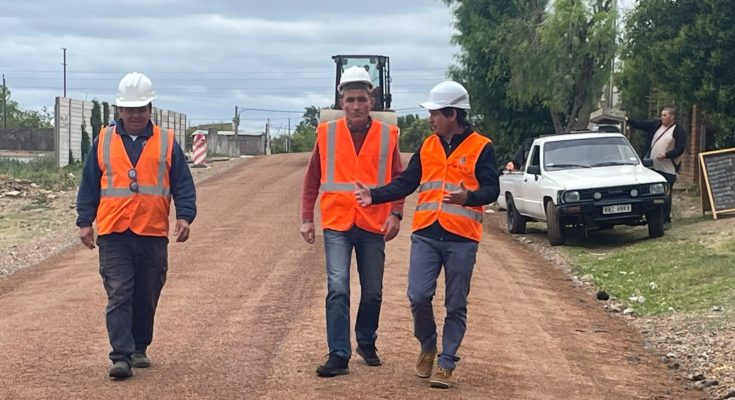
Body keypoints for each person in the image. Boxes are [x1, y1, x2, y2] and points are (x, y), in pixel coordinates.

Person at [355, 80, 500, 389]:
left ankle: (446, 362)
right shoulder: (428, 145)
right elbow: (407, 182)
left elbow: (492, 188)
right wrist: (375, 195)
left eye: (435, 113)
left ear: (453, 114)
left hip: (462, 237)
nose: (430, 119)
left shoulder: (482, 147)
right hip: (426, 233)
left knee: (456, 303)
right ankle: (428, 344)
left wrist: (469, 198)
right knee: (418, 295)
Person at [76, 72, 197, 379]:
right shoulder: (103, 140)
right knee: (119, 292)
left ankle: (140, 346)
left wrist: (185, 216)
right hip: (114, 232)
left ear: (150, 109)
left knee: (147, 292)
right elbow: (89, 184)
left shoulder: (167, 142)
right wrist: (84, 222)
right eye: (129, 109)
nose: (135, 114)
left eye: (141, 108)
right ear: (119, 110)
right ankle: (121, 356)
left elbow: (182, 183)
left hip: (152, 231)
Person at [300, 65, 404, 377]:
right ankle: (339, 354)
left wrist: (396, 213)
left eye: (361, 99)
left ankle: (366, 341)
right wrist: (307, 218)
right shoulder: (327, 133)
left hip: (373, 224)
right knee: (338, 288)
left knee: (372, 291)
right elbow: (312, 179)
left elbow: (399, 178)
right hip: (337, 223)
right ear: (341, 102)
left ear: (371, 100)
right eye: (350, 100)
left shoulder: (388, 135)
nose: (356, 106)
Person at [627, 107, 687, 230]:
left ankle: (665, 219)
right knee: (653, 194)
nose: (662, 117)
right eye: (662, 115)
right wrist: (628, 120)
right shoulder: (656, 125)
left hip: (668, 167)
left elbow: (680, 148)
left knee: (666, 192)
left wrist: (667, 155)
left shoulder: (678, 131)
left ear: (672, 117)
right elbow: (642, 124)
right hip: (653, 167)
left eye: (665, 115)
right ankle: (654, 219)